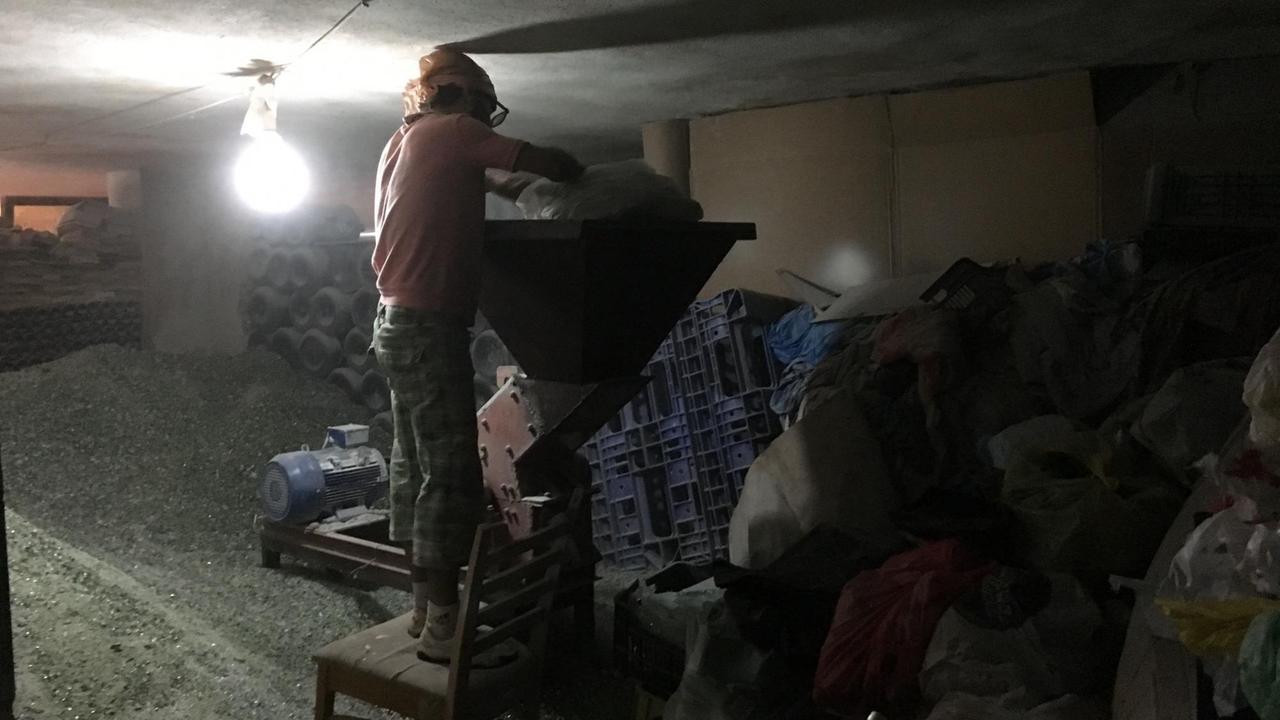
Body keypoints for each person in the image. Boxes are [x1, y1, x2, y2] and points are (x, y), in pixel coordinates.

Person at [370, 48, 583, 663]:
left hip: (394, 320)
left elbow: (492, 178)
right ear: (461, 96)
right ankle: (445, 631)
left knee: (414, 461)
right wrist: (579, 176)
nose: (488, 120)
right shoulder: (455, 130)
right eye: (487, 108)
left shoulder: (406, 141)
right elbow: (552, 163)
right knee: (452, 472)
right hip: (427, 324)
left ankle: (424, 609)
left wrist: (512, 185)